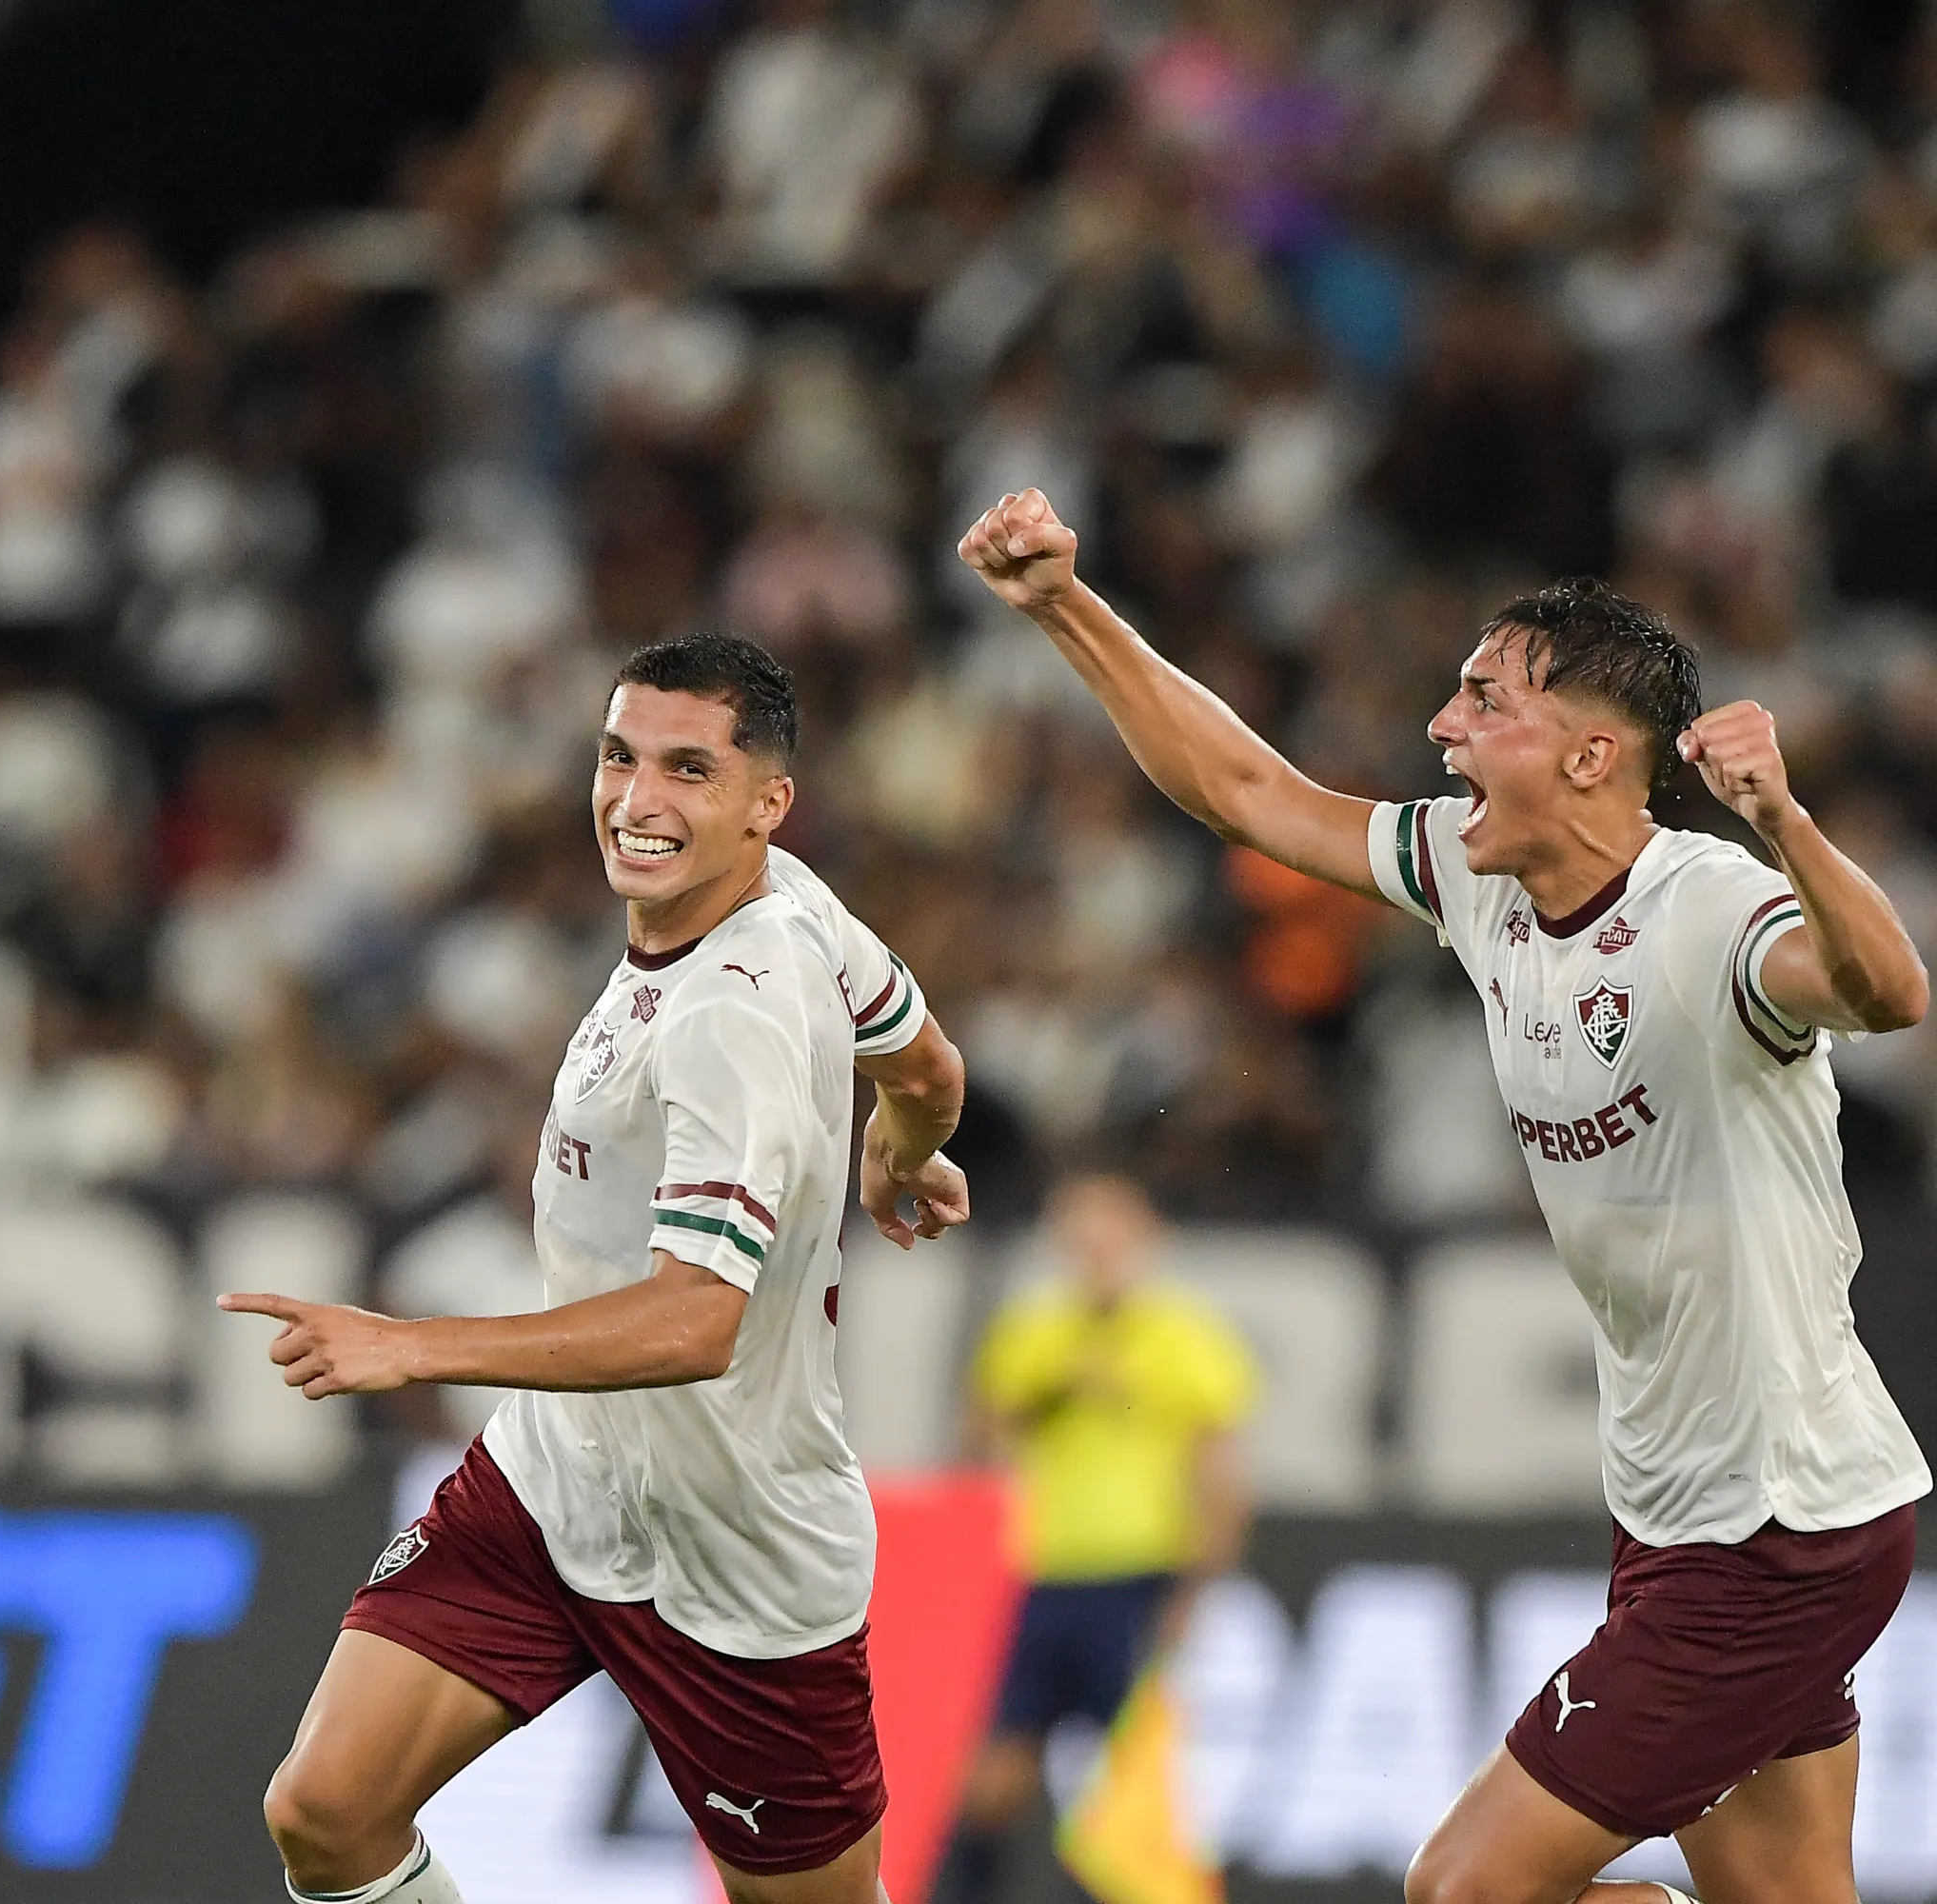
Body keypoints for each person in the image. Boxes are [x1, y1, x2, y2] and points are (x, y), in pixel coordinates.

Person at [959, 489, 1930, 1904]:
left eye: (1485, 700)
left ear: (1594, 754)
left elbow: (1892, 994)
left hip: (1778, 1526)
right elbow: (1245, 791)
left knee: (1464, 1891)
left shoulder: (1709, 910)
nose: (1442, 726)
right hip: (1680, 1513)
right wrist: (1061, 604)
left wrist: (1783, 820)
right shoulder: (1484, 890)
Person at [218, 630, 974, 1904]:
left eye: (688, 770)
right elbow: (927, 1067)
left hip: (736, 1553)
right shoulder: (792, 897)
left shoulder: (731, 1012)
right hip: (558, 1483)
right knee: (327, 1809)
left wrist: (413, 1345)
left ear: (764, 803)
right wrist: (899, 1151)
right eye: (621, 757)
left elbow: (695, 1325)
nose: (638, 801)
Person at [930, 1171, 1255, 1904]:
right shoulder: (1035, 1333)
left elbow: (1222, 1477)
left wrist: (1195, 1590)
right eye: (1079, 1227)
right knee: (994, 1779)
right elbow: (975, 1448)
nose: (1094, 1244)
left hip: (1137, 1579)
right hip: (1040, 1577)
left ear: (1145, 1235)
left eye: (1108, 1226)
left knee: (1131, 1792)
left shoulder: (1182, 1335)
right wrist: (1045, 1396)